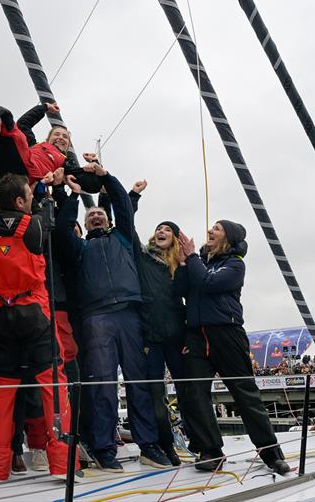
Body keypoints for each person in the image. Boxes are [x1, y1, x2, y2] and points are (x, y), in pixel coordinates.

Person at [0, 132, 76, 482]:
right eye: (28, 195)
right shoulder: (36, 225)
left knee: (2, 390)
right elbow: (43, 211)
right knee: (52, 385)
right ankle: (62, 461)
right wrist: (47, 189)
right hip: (33, 313)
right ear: (20, 198)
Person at [54, 167, 172, 473]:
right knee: (102, 385)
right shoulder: (79, 248)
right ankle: (105, 448)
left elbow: (121, 203)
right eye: (90, 215)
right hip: (97, 318)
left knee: (139, 382)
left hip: (130, 316)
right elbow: (64, 228)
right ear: (85, 222)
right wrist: (73, 194)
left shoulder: (123, 237)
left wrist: (106, 177)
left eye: (100, 214)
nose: (95, 216)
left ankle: (149, 445)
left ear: (108, 219)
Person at [177, 221, 290, 474]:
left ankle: (271, 453)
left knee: (245, 394)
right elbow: (182, 290)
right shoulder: (200, 262)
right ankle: (211, 451)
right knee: (193, 394)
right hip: (197, 335)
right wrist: (185, 262)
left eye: (216, 228)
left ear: (228, 237)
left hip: (226, 334)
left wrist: (193, 257)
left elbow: (208, 283)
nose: (209, 231)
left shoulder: (235, 264)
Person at [125, 180, 187, 466]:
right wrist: (133, 197)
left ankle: (203, 444)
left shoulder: (182, 267)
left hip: (177, 338)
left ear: (175, 239)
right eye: (159, 229)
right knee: (155, 396)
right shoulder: (143, 258)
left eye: (168, 230)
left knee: (189, 391)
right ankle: (165, 446)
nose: (162, 232)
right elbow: (127, 224)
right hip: (150, 339)